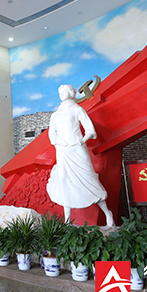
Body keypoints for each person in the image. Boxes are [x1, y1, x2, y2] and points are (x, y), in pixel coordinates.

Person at [46, 84, 115, 227]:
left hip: (77, 149)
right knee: (65, 181)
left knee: (88, 179)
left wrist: (82, 140)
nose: (61, 94)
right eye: (60, 92)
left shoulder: (77, 109)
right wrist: (59, 143)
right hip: (63, 151)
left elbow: (90, 129)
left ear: (71, 93)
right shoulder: (55, 115)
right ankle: (67, 221)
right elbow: (52, 133)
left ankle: (108, 214)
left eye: (64, 91)